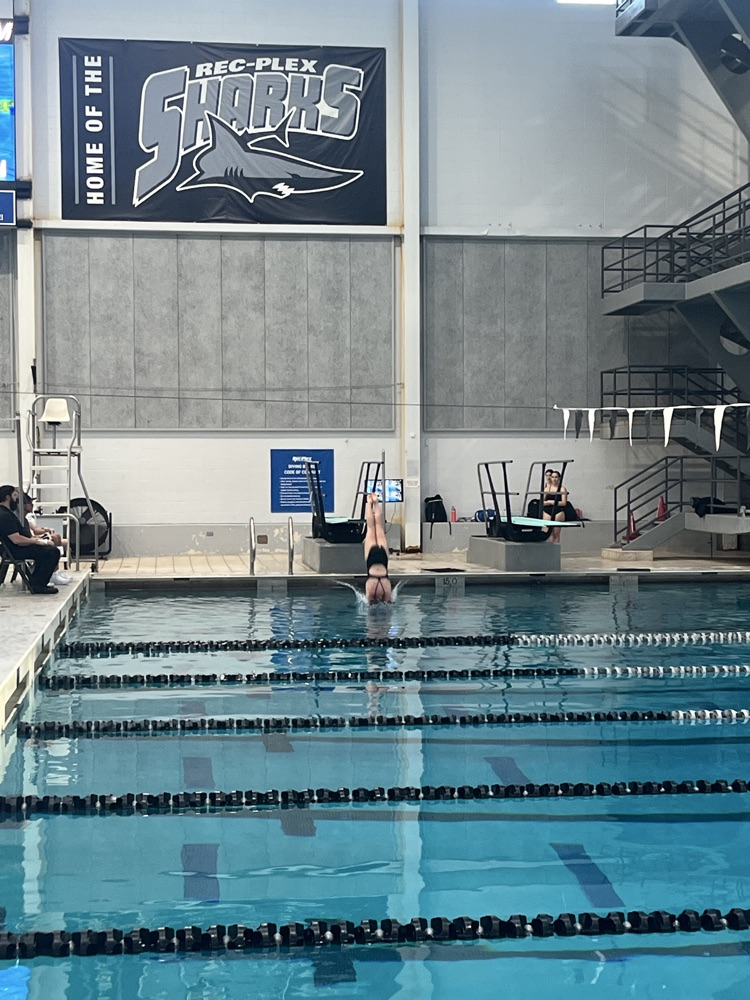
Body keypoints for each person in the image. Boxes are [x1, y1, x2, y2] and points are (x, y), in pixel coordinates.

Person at [0, 485, 61, 594]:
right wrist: (36, 541)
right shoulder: (4, 515)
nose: (17, 499)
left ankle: (36, 581)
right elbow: (16, 539)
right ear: (7, 497)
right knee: (52, 552)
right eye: (15, 496)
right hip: (16, 550)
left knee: (47, 550)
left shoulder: (6, 513)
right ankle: (38, 585)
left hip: (17, 547)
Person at [22, 493, 71, 586]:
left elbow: (35, 530)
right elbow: (31, 534)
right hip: (30, 540)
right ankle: (53, 572)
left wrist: (45, 529)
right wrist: (36, 539)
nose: (32, 505)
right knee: (53, 542)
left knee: (56, 537)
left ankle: (54, 571)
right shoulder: (22, 518)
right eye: (30, 503)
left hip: (33, 537)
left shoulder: (27, 517)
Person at [527, 469, 578, 543]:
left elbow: (564, 503)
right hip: (547, 511)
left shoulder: (562, 489)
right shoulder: (547, 488)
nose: (554, 479)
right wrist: (547, 502)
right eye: (553, 477)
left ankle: (556, 549)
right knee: (548, 533)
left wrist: (552, 502)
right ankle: (550, 549)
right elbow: (542, 502)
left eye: (556, 477)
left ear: (559, 478)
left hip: (558, 511)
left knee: (556, 533)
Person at [363, 493, 393, 604]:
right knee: (376, 527)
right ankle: (373, 502)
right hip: (384, 580)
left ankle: (371, 502)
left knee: (373, 528)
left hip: (372, 579)